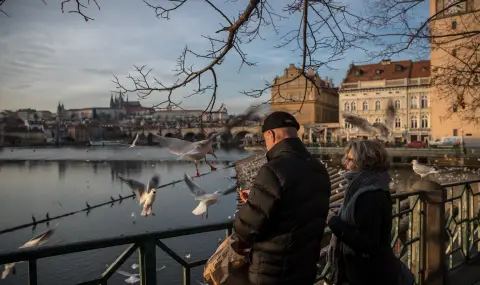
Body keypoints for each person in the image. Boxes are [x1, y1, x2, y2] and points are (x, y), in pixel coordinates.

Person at [233, 111, 332, 285]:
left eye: (265, 140)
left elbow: (246, 228)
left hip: (273, 271)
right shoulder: (319, 168)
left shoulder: (273, 170)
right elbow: (299, 204)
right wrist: (259, 197)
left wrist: (254, 203)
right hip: (305, 268)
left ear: (270, 135)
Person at [326, 140, 403, 285]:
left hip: (367, 274)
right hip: (373, 269)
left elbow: (366, 242)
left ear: (365, 162)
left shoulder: (368, 194)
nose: (345, 163)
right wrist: (342, 211)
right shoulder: (376, 185)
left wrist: (333, 221)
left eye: (350, 159)